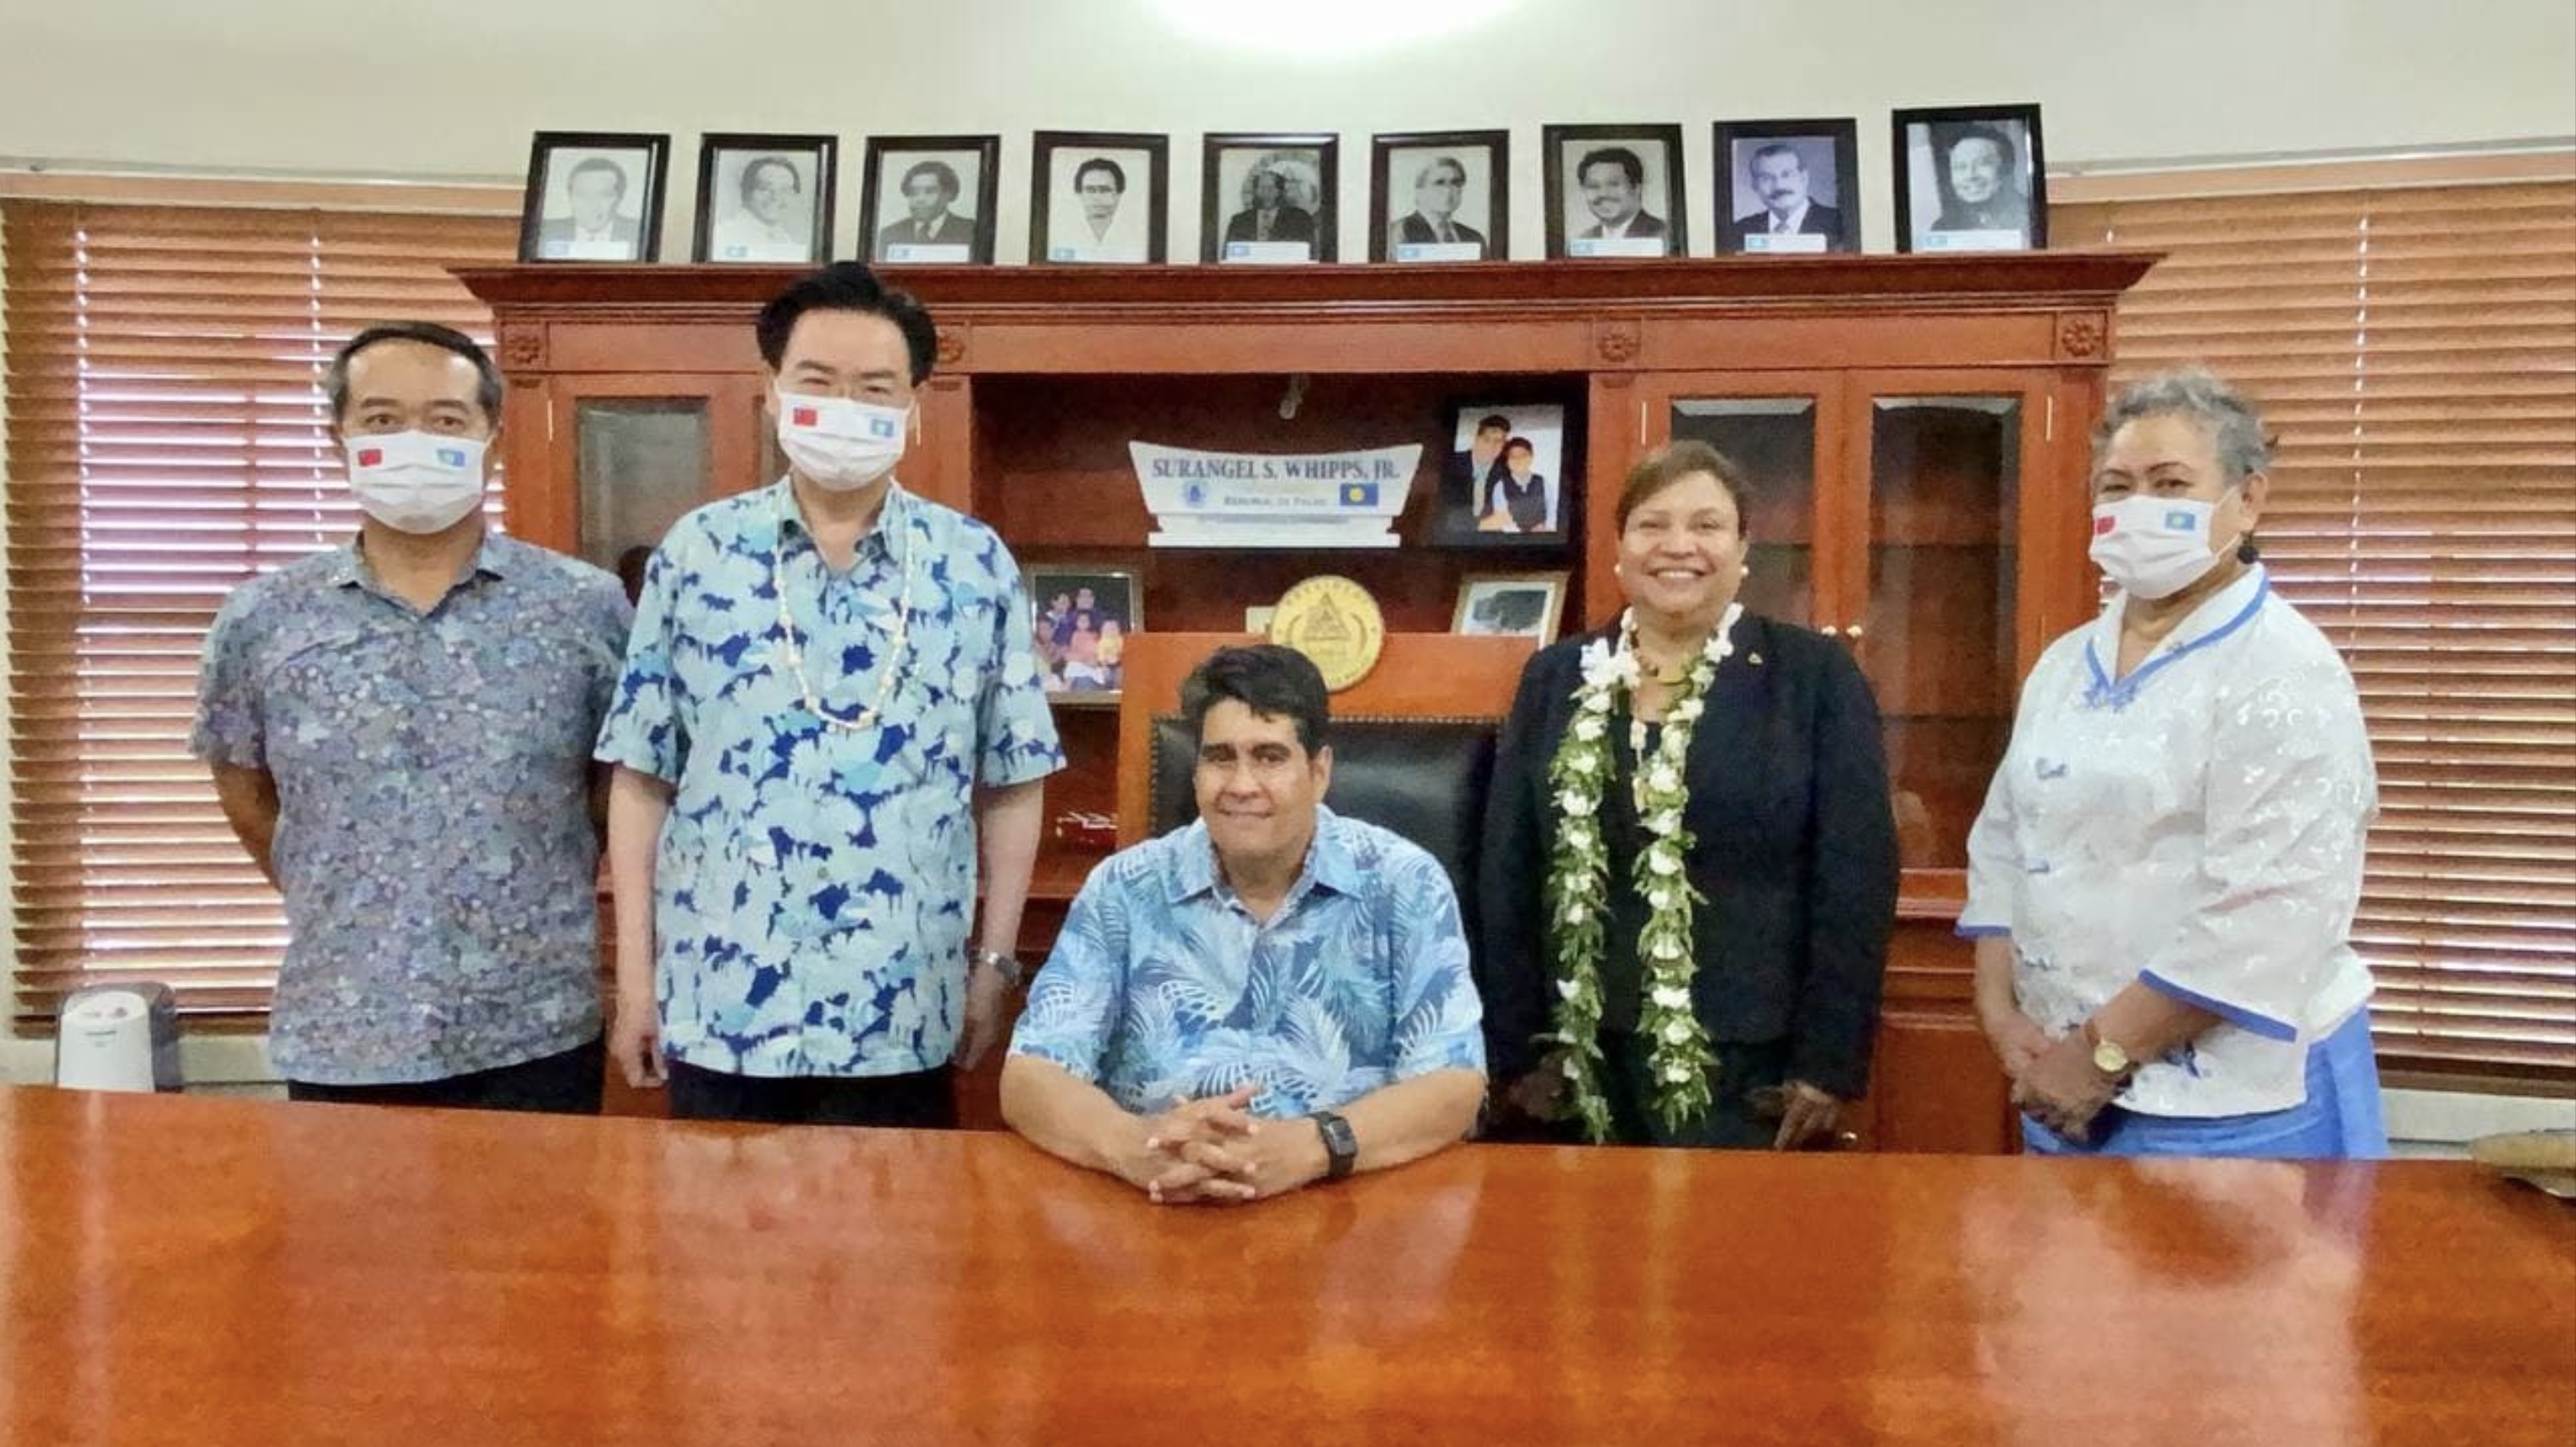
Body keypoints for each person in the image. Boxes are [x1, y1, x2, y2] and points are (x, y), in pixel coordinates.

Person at [596, 261, 1064, 1127]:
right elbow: (642, 776)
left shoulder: (973, 564)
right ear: (772, 391)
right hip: (721, 1003)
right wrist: (635, 980)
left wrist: (994, 965)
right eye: (816, 380)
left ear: (912, 406)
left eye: (875, 388)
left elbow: (1014, 779)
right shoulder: (697, 554)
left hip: (902, 1006)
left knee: (901, 1216)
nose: (844, 406)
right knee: (711, 1217)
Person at [190, 322, 633, 1113]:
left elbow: (616, 790)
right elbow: (247, 793)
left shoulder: (584, 607)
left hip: (534, 1027)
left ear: (492, 441)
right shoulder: (263, 619)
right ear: (340, 439)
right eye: (383, 419)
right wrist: (351, 883)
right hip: (344, 1027)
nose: (413, 443)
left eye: (446, 419)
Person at [1961, 367, 2386, 1159]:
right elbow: (2005, 842)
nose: (2138, 508)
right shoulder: (2064, 665)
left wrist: (2099, 1054)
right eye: (2117, 486)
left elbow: (2268, 909)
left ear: (2247, 500)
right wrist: (2001, 1012)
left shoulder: (2285, 670)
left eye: (2170, 484)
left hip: (2238, 1107)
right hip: (2057, 1083)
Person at [1481, 440, 1898, 1149]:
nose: (1679, 546)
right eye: (1653, 525)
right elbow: (1508, 868)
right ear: (1619, 550)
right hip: (1574, 1060)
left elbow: (1855, 877)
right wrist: (1516, 1050)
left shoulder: (1813, 677)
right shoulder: (1555, 677)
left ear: (1743, 549)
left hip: (1752, 1065)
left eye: (1707, 526)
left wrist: (1826, 1063)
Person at [1002, 645, 1486, 1203]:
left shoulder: (1404, 883)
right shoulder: (1124, 888)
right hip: (1158, 1201)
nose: (1242, 784)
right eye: (1220, 758)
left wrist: (1313, 1147)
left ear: (1319, 771)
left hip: (1347, 1205)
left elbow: (1455, 1085)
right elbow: (1030, 1076)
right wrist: (1137, 1146)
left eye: (1270, 757)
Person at [1720, 142, 1849, 251]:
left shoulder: (1839, 222)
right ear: (1755, 185)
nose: (1779, 186)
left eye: (1787, 174)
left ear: (1804, 178)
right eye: (1766, 178)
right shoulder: (1739, 231)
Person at [536, 156, 642, 258]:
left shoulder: (638, 232)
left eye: (604, 195)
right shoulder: (546, 231)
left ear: (619, 197)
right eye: (582, 194)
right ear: (570, 196)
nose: (592, 204)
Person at [1933, 125, 2028, 236]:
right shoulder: (1942, 228)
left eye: (1983, 163)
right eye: (1960, 167)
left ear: (2007, 168)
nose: (1970, 175)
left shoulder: (2029, 216)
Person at [711, 156, 809, 261]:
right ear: (746, 191)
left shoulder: (787, 241)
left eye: (785, 190)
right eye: (765, 189)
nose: (776, 197)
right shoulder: (722, 235)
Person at [1389, 155, 1489, 256]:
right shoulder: (1397, 232)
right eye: (1439, 183)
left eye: (1455, 183)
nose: (1448, 190)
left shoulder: (1474, 238)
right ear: (1420, 190)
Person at [874, 158, 977, 255]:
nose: (920, 199)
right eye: (914, 192)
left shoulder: (970, 230)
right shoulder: (890, 234)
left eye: (930, 191)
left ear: (948, 194)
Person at [1057, 156, 1148, 261]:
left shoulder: (1138, 234)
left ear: (1118, 194)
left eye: (1105, 190)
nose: (1097, 197)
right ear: (1079, 194)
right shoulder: (1062, 232)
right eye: (1090, 190)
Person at [1574, 146, 1669, 246]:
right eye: (1593, 186)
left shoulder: (1664, 236)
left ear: (1637, 188)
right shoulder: (1584, 239)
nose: (1603, 194)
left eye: (1613, 184)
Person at [1222, 162, 1319, 249]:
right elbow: (1228, 255)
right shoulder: (1239, 221)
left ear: (1281, 191)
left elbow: (1310, 254)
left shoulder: (1300, 219)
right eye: (1262, 188)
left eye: (1271, 187)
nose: (1267, 192)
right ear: (1255, 191)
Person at [1442, 413, 1511, 534]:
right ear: (1476, 439)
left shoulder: (1506, 471)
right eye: (1486, 440)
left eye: (1498, 441)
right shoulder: (1451, 464)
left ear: (1504, 445)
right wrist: (1479, 526)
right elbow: (1445, 513)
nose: (1491, 446)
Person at [1480, 437, 1550, 533]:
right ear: (1508, 461)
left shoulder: (1543, 482)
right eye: (1513, 457)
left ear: (1531, 457)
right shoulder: (1500, 486)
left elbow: (1552, 512)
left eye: (1522, 456)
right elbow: (1502, 519)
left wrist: (1546, 527)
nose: (1518, 460)